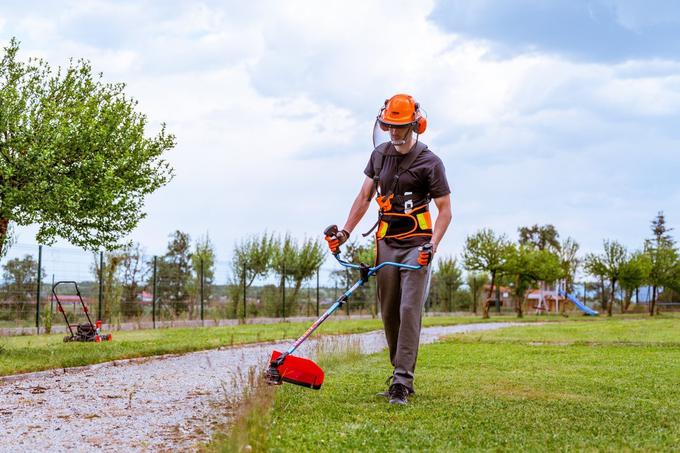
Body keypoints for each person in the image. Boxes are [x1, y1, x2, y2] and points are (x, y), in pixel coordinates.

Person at [325, 94, 452, 404]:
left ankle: (402, 382)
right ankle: (399, 369)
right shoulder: (379, 155)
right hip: (386, 242)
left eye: (399, 127)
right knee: (389, 312)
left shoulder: (430, 163)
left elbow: (445, 210)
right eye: (388, 126)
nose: (393, 133)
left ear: (414, 125)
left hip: (417, 244)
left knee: (409, 309)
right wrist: (344, 232)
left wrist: (432, 246)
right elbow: (365, 197)